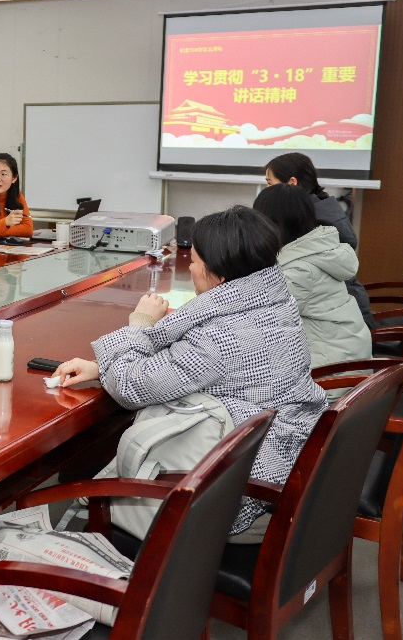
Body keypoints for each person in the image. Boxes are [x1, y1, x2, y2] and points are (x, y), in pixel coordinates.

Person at [54, 206, 326, 542]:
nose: (190, 268)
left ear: (219, 275)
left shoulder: (220, 337)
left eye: (194, 261)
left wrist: (140, 324)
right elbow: (190, 368)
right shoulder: (274, 302)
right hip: (288, 462)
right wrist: (100, 368)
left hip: (238, 494)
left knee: (101, 457)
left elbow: (130, 387)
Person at [253, 183, 371, 374]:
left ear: (272, 223)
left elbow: (258, 319)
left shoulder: (301, 271)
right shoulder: (316, 249)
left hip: (332, 374)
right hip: (346, 358)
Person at [264, 152, 374, 328]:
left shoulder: (311, 221)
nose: (267, 190)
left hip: (341, 322)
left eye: (270, 183)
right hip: (341, 313)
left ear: (292, 183)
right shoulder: (322, 208)